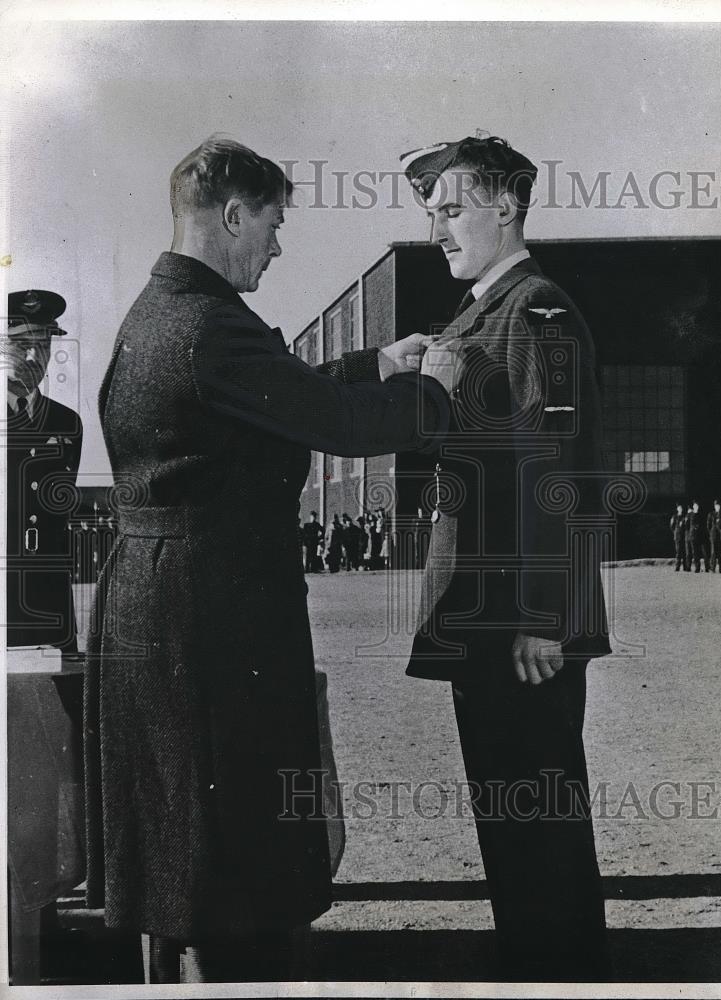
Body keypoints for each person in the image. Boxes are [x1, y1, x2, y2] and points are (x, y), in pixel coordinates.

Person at [84, 136, 448, 984]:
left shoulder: (161, 313)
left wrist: (368, 362)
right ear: (233, 215)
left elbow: (263, 392)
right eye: (273, 226)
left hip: (159, 604)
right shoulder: (211, 326)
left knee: (180, 852)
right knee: (230, 865)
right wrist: (431, 389)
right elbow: (339, 425)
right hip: (213, 621)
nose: (278, 246)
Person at [402, 134, 611, 980]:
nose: (438, 230)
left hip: (519, 632)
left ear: (506, 206)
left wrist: (543, 620)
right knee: (515, 830)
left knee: (539, 836)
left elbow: (557, 472)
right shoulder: (483, 310)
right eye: (431, 215)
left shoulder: (535, 310)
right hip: (485, 625)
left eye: (451, 210)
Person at [4, 290, 82, 654]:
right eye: (22, 345)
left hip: (51, 606)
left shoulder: (68, 423)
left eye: (44, 344)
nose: (35, 356)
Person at [686, 500, 709, 572]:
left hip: (701, 536)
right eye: (695, 506)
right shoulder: (690, 515)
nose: (696, 507)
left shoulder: (702, 514)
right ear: (693, 506)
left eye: (697, 506)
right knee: (695, 553)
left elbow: (705, 524)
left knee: (705, 552)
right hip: (693, 536)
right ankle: (697, 567)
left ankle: (707, 567)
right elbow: (687, 525)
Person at [669, 503, 688, 572]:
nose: (680, 509)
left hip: (684, 536)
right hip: (677, 536)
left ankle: (685, 567)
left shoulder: (685, 516)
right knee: (678, 552)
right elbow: (671, 526)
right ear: (677, 509)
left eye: (681, 508)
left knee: (685, 552)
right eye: (679, 508)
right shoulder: (674, 516)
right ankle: (677, 566)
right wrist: (676, 532)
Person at [707, 499, 721, 573]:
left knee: (720, 552)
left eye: (718, 506)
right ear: (714, 506)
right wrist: (711, 532)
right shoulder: (711, 514)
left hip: (720, 535)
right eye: (716, 506)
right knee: (713, 552)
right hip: (713, 535)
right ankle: (713, 567)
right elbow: (708, 525)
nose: (717, 507)